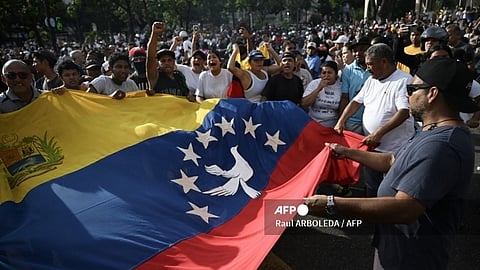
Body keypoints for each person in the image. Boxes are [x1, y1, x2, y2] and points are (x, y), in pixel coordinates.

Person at [305, 57, 478, 270]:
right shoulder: (430, 130)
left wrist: (331, 203)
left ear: (432, 94)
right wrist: (347, 152)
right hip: (395, 249)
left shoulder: (442, 146)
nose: (408, 94)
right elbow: (392, 160)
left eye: (413, 88)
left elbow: (404, 208)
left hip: (412, 258)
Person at [335, 43, 414, 197]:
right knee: (372, 186)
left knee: (391, 190)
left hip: (394, 150)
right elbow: (356, 102)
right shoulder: (371, 80)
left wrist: (378, 133)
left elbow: (404, 112)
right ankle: (374, 218)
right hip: (371, 148)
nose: (367, 68)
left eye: (371, 64)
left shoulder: (403, 81)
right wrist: (341, 120)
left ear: (384, 62)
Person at [301, 61, 342, 127]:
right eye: (324, 73)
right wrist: (319, 88)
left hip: (332, 125)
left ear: (336, 74)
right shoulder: (314, 83)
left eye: (329, 73)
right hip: (313, 124)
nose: (326, 75)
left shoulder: (340, 87)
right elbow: (304, 103)